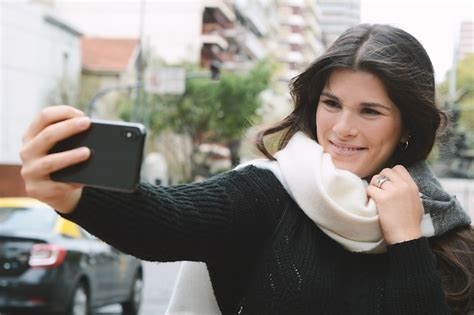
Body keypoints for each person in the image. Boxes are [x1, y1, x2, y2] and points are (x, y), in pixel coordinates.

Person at [20, 24, 473, 314]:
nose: (342, 128)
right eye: (331, 104)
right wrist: (77, 195)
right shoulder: (270, 190)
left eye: (370, 111)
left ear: (406, 127)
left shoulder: (448, 233)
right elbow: (168, 219)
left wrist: (409, 242)